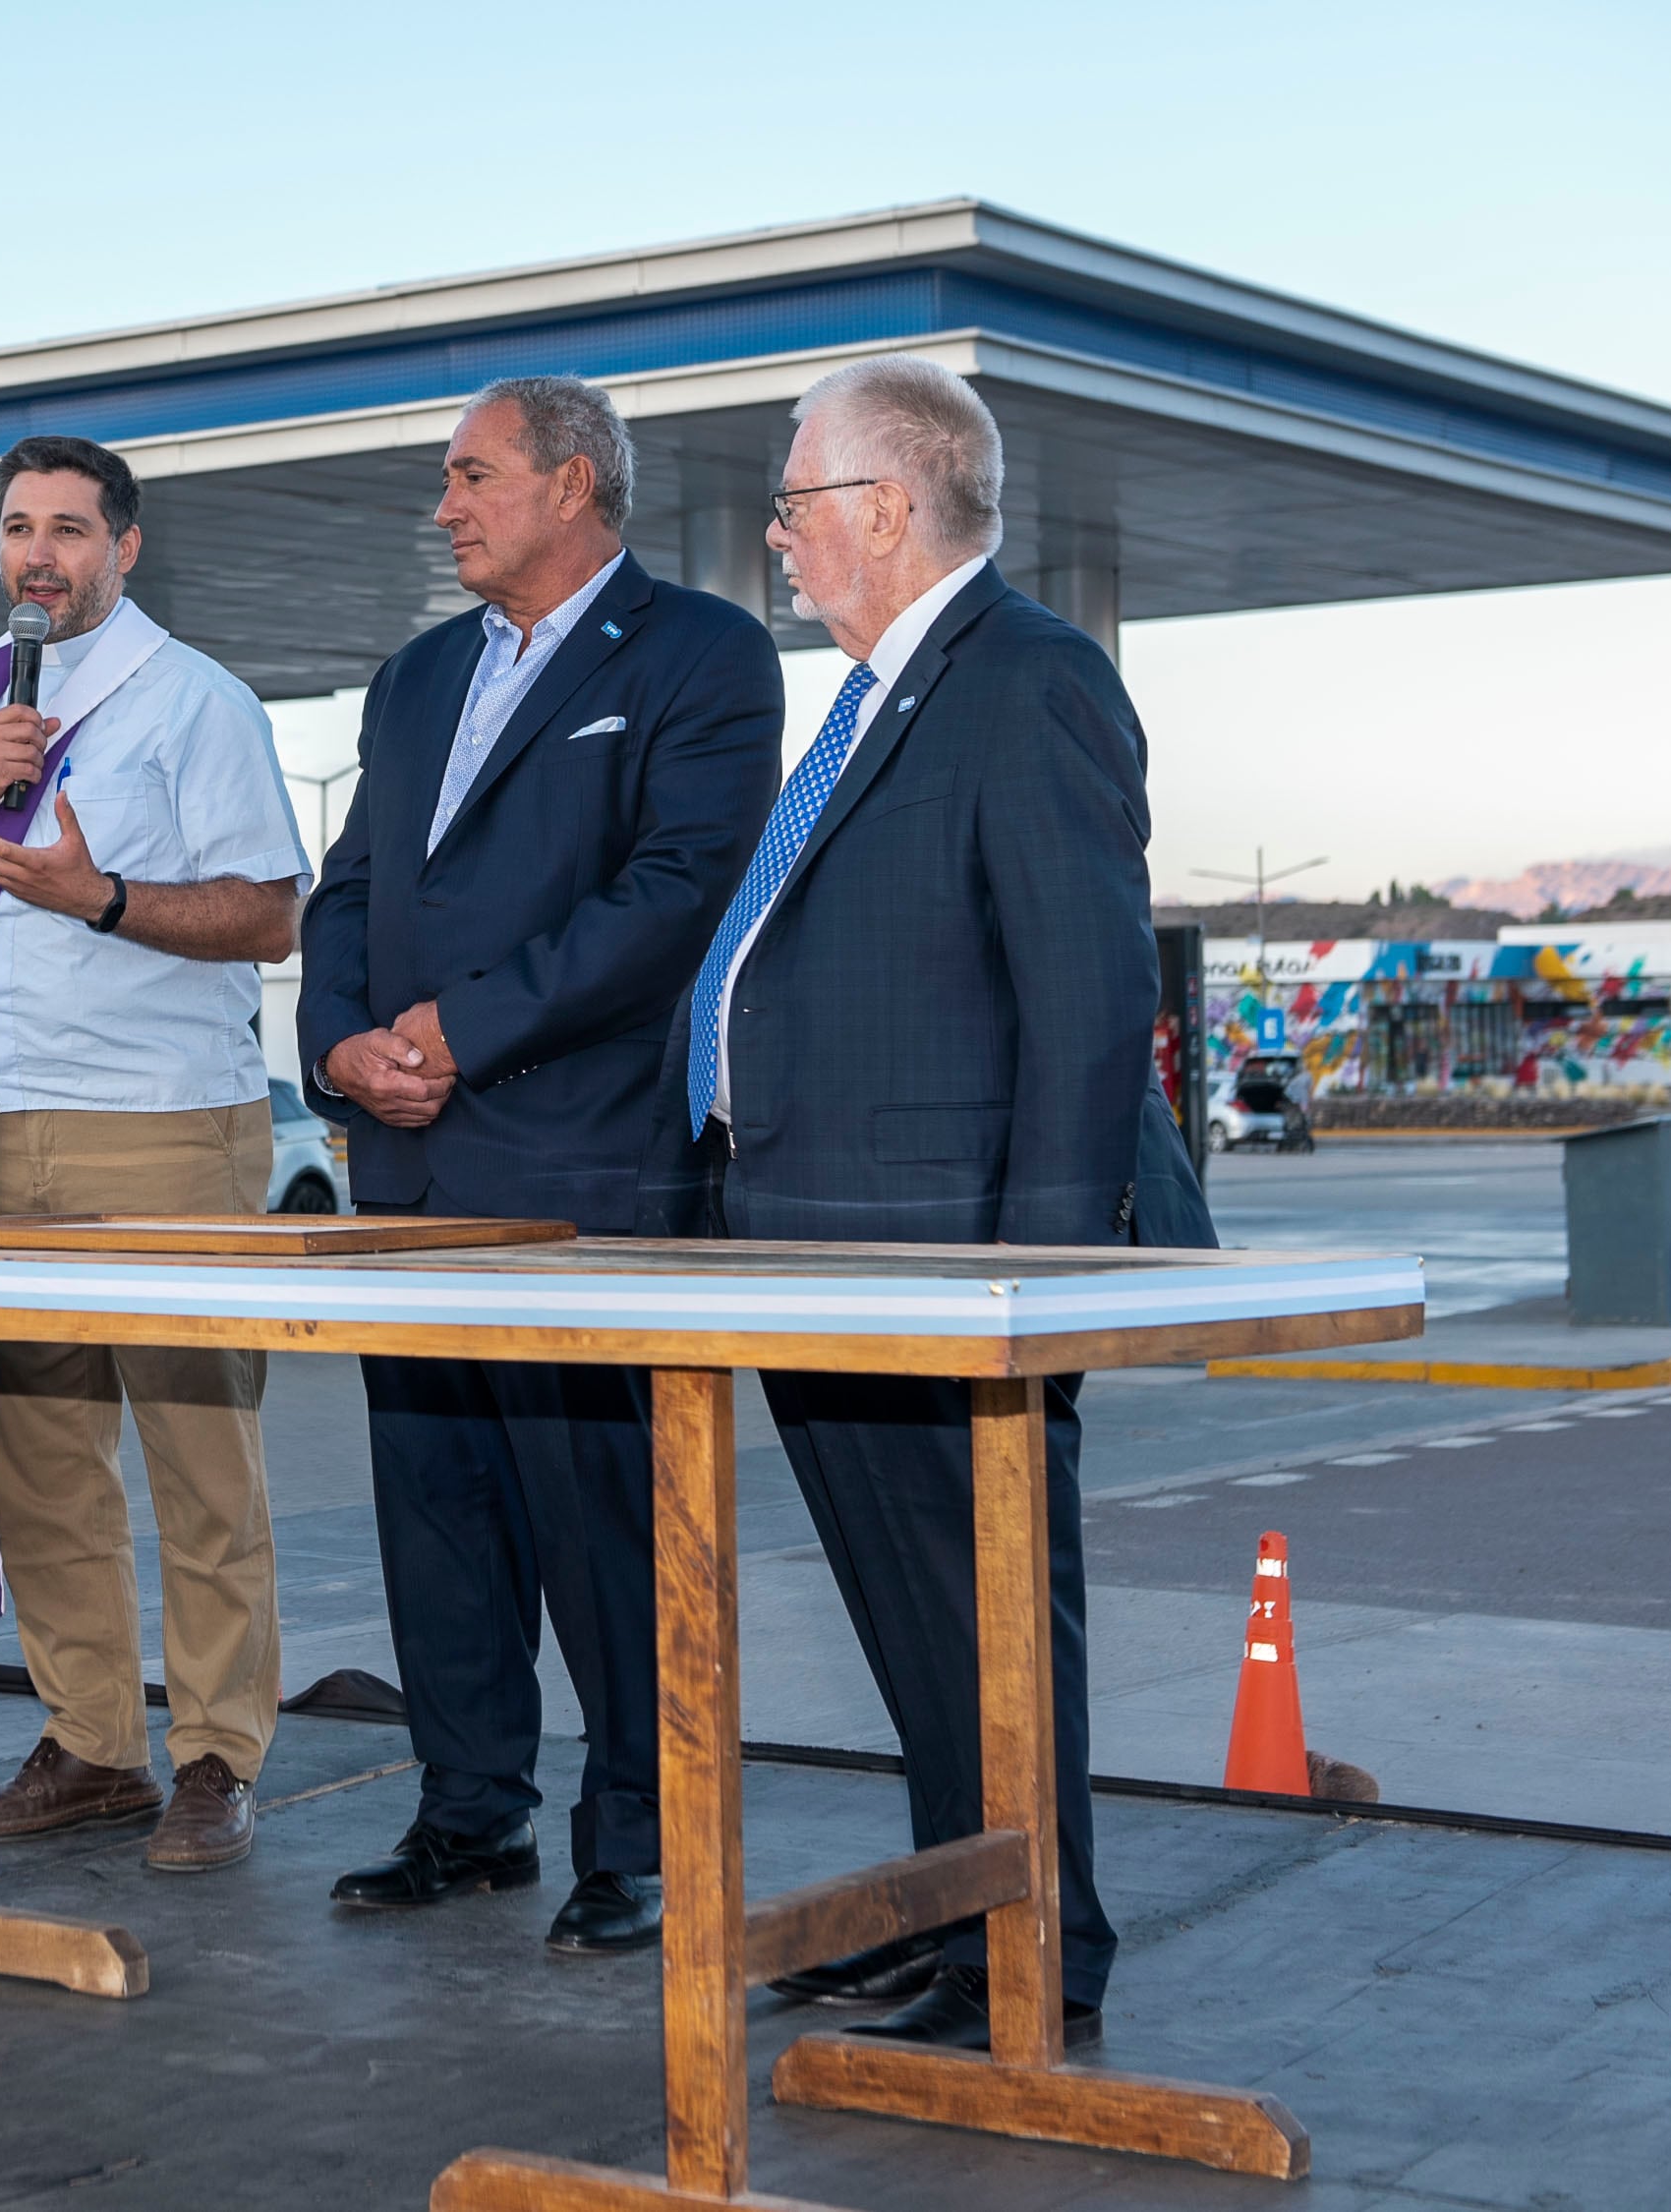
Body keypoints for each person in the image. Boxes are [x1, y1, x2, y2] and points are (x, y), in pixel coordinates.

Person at [641, 355, 1216, 2047]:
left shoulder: (1023, 679)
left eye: (797, 506)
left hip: (944, 1257)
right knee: (914, 1624)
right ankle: (957, 1915)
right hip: (820, 1247)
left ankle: (1034, 1958)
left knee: (983, 1626)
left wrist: (1027, 1281)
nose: (778, 542)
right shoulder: (881, 692)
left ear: (888, 506)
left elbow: (1091, 999)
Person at [297, 377, 781, 1952]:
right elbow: (347, 892)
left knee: (603, 1523)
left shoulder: (700, 655)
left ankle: (638, 1834)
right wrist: (342, 1046)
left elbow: (670, 894)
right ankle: (468, 1809)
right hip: (410, 1172)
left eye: (469, 475)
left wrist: (456, 1033)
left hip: (577, 1167)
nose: (444, 506)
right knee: (433, 1509)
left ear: (572, 484)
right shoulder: (417, 672)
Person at [0, 435, 308, 1873]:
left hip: (167, 1118)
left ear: (123, 546)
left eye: (64, 528)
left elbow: (265, 913)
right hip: (3, 1120)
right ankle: (93, 1739)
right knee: (40, 1455)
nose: (35, 555)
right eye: (13, 529)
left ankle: (218, 1753)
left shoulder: (197, 699)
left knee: (198, 1453)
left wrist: (97, 896)